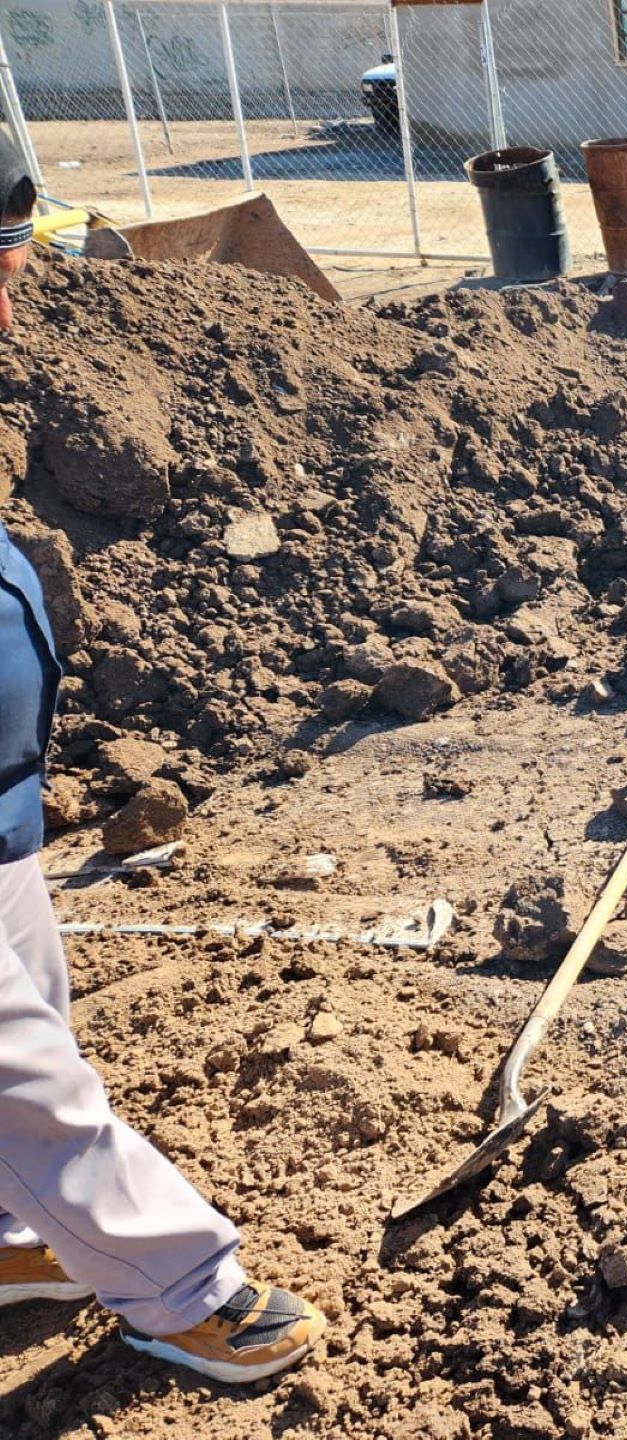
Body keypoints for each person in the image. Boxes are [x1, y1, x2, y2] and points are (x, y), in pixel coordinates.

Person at [0, 129, 325, 1383]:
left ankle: (20, 1236)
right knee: (21, 1078)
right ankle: (179, 1286)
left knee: (36, 1014)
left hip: (8, 811)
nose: (11, 320)